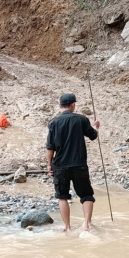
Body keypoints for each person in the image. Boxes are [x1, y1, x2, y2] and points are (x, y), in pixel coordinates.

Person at [46, 93, 100, 232]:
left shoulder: (53, 123)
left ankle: (68, 227)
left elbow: (50, 147)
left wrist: (49, 165)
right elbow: (93, 136)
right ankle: (87, 226)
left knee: (62, 197)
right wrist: (96, 127)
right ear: (73, 105)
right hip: (79, 164)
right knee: (86, 195)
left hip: (60, 165)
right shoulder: (81, 119)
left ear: (60, 106)